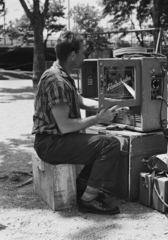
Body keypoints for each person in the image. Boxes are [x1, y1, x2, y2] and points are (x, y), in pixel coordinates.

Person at [32, 31, 122, 215]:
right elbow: (65, 126)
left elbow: (80, 101)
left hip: (54, 141)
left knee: (99, 143)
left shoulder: (60, 74)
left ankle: (84, 189)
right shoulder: (57, 81)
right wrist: (98, 119)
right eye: (82, 52)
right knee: (110, 144)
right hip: (50, 144)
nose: (84, 56)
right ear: (72, 55)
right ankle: (88, 199)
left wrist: (111, 106)